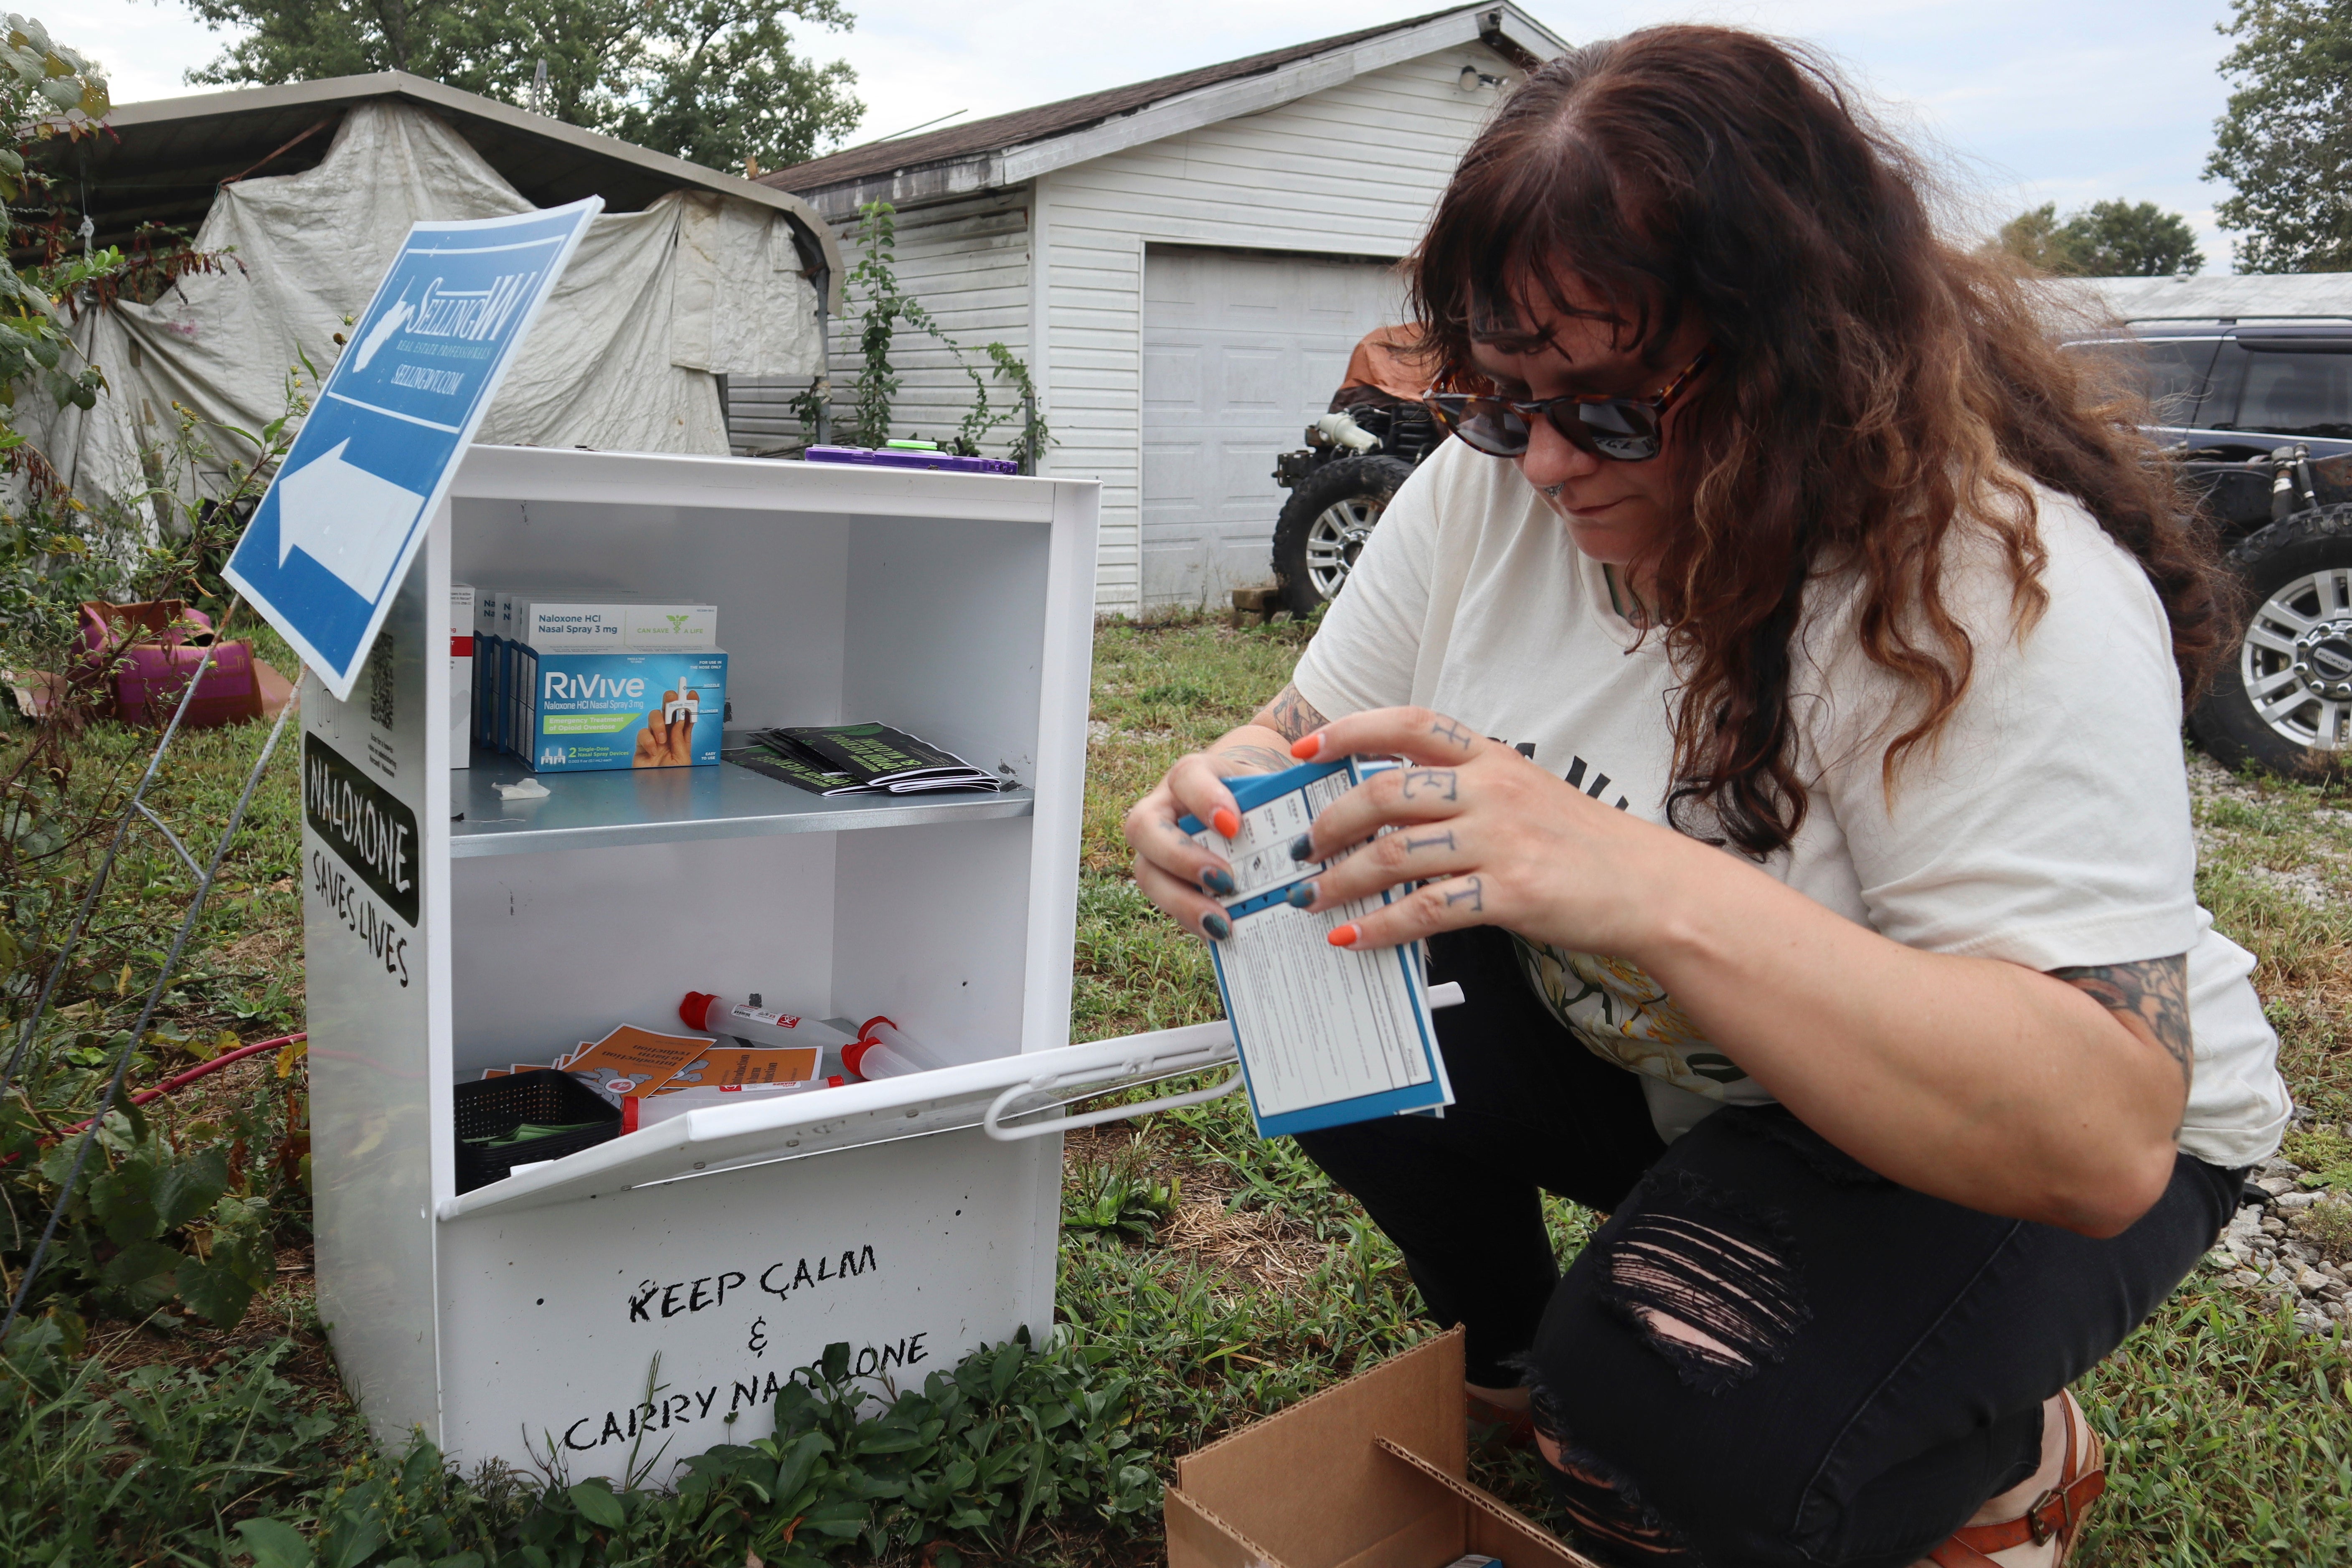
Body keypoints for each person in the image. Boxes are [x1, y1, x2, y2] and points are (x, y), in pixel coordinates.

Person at [1121, 27, 2288, 1568]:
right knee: (1307, 936)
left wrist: (1640, 881)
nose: (1539, 461)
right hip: (1706, 1067)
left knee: (1667, 1403)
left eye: (1606, 409)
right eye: (1494, 396)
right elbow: (1298, 734)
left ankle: (1998, 1457)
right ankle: (1514, 1353)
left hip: (1999, 1134)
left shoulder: (1984, 589)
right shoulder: (1497, 483)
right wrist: (1212, 797)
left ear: (1806, 362)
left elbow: (2096, 1130)